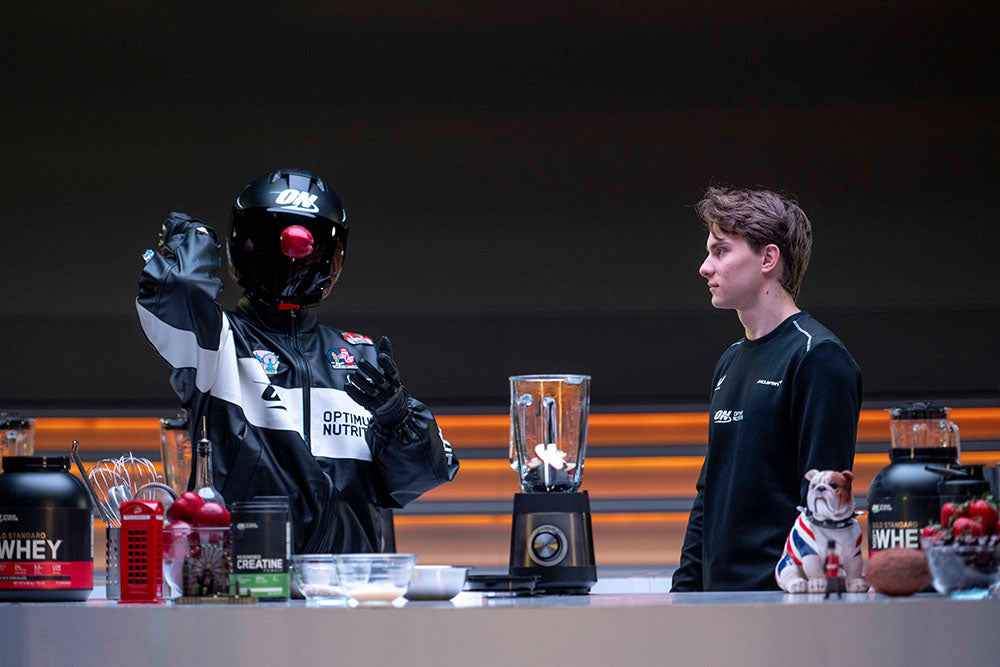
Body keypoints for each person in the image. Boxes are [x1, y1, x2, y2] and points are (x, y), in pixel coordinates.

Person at [137, 168, 459, 554]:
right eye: (272, 242)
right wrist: (195, 237)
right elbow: (179, 290)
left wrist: (397, 415)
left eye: (313, 245)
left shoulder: (360, 355)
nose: (293, 257)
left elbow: (419, 479)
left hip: (346, 591)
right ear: (243, 248)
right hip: (245, 582)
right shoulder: (216, 343)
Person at [671, 186, 862, 591]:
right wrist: (684, 593)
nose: (705, 267)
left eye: (720, 251)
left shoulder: (819, 357)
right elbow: (709, 495)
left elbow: (825, 505)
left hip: (782, 608)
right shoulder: (730, 361)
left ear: (768, 258)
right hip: (716, 608)